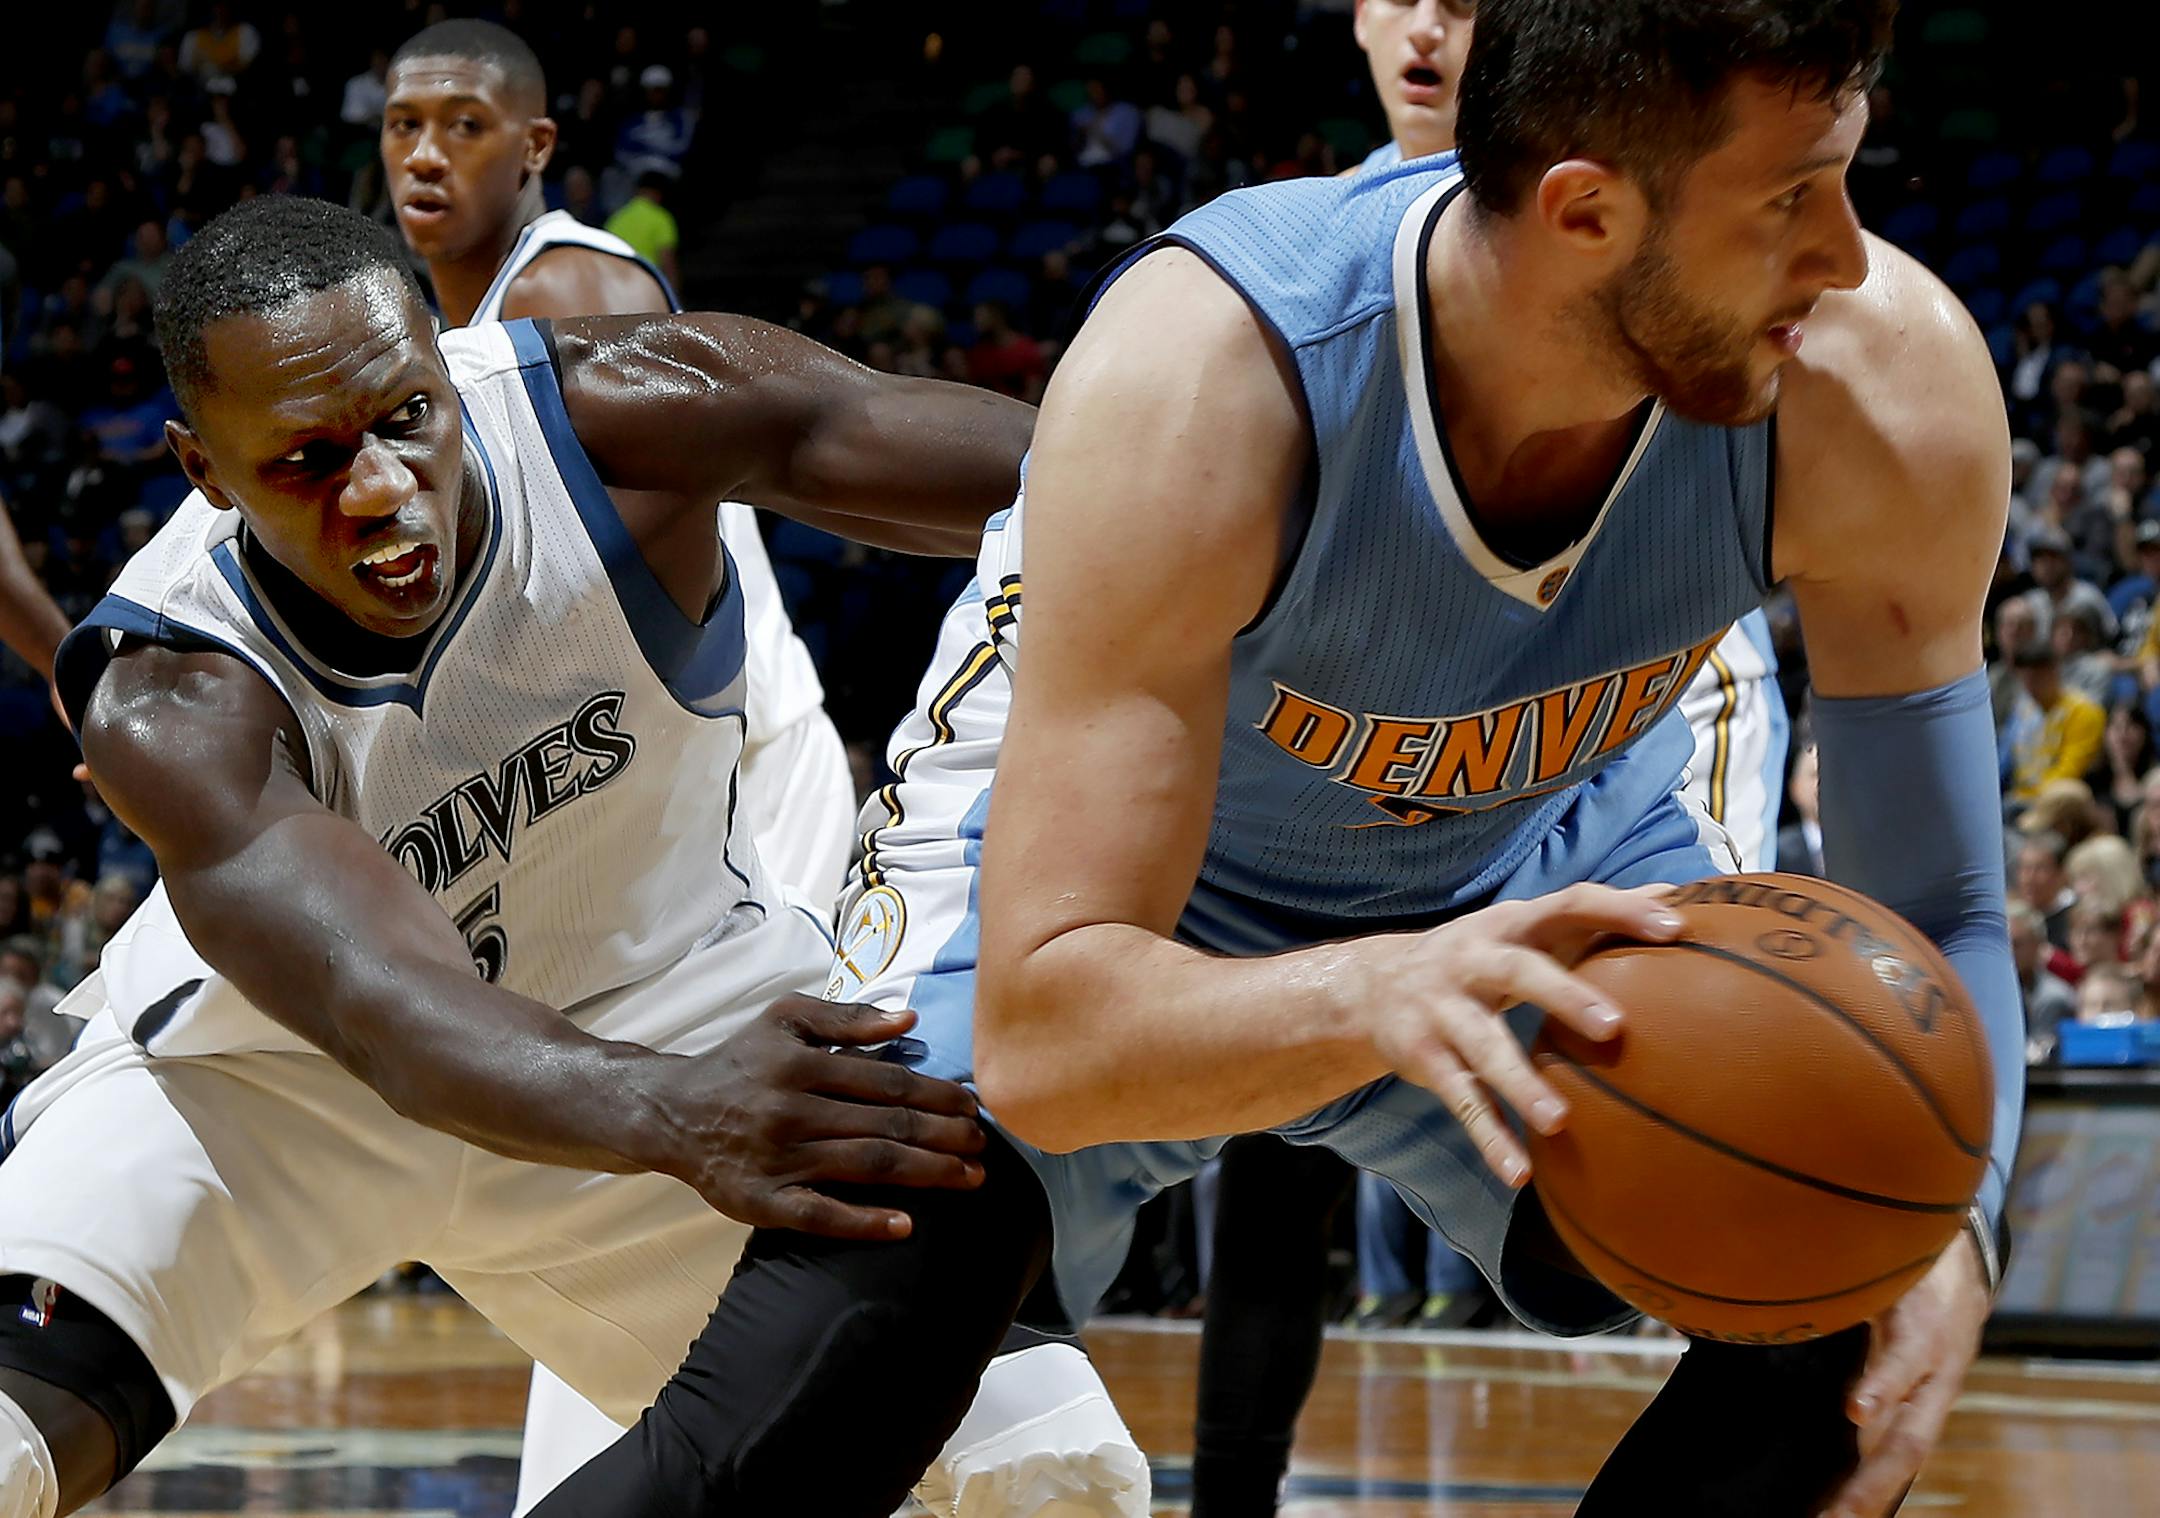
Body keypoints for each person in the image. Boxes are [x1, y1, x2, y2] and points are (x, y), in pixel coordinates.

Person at [526, 5, 2021, 1518]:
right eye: (1791, 200)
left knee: (1844, 1257)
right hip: (1102, 906)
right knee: (832, 1368)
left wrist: (1955, 1225)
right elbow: (1048, 1035)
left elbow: (1945, 907)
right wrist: (1370, 993)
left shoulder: (1883, 384)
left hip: (1530, 875)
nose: (1847, 256)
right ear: (1586, 212)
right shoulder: (1211, 370)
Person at [0, 192, 1038, 1518]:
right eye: (308, 460)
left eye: (404, 417)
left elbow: (1082, 482)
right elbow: (386, 1011)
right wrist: (677, 1110)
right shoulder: (168, 689)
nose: (382, 486)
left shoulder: (615, 416)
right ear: (205, 471)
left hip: (662, 1007)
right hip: (279, 1086)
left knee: (1045, 1473)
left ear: (443, 358)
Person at [378, 23, 1145, 1514]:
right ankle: (1023, 1439)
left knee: (705, 1208)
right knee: (659, 1233)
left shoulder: (572, 291)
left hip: (708, 807)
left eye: (463, 125)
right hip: (638, 810)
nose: (424, 154)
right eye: (404, 125)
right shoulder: (433, 340)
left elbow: (772, 483)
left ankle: (1026, 1438)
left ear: (536, 147)